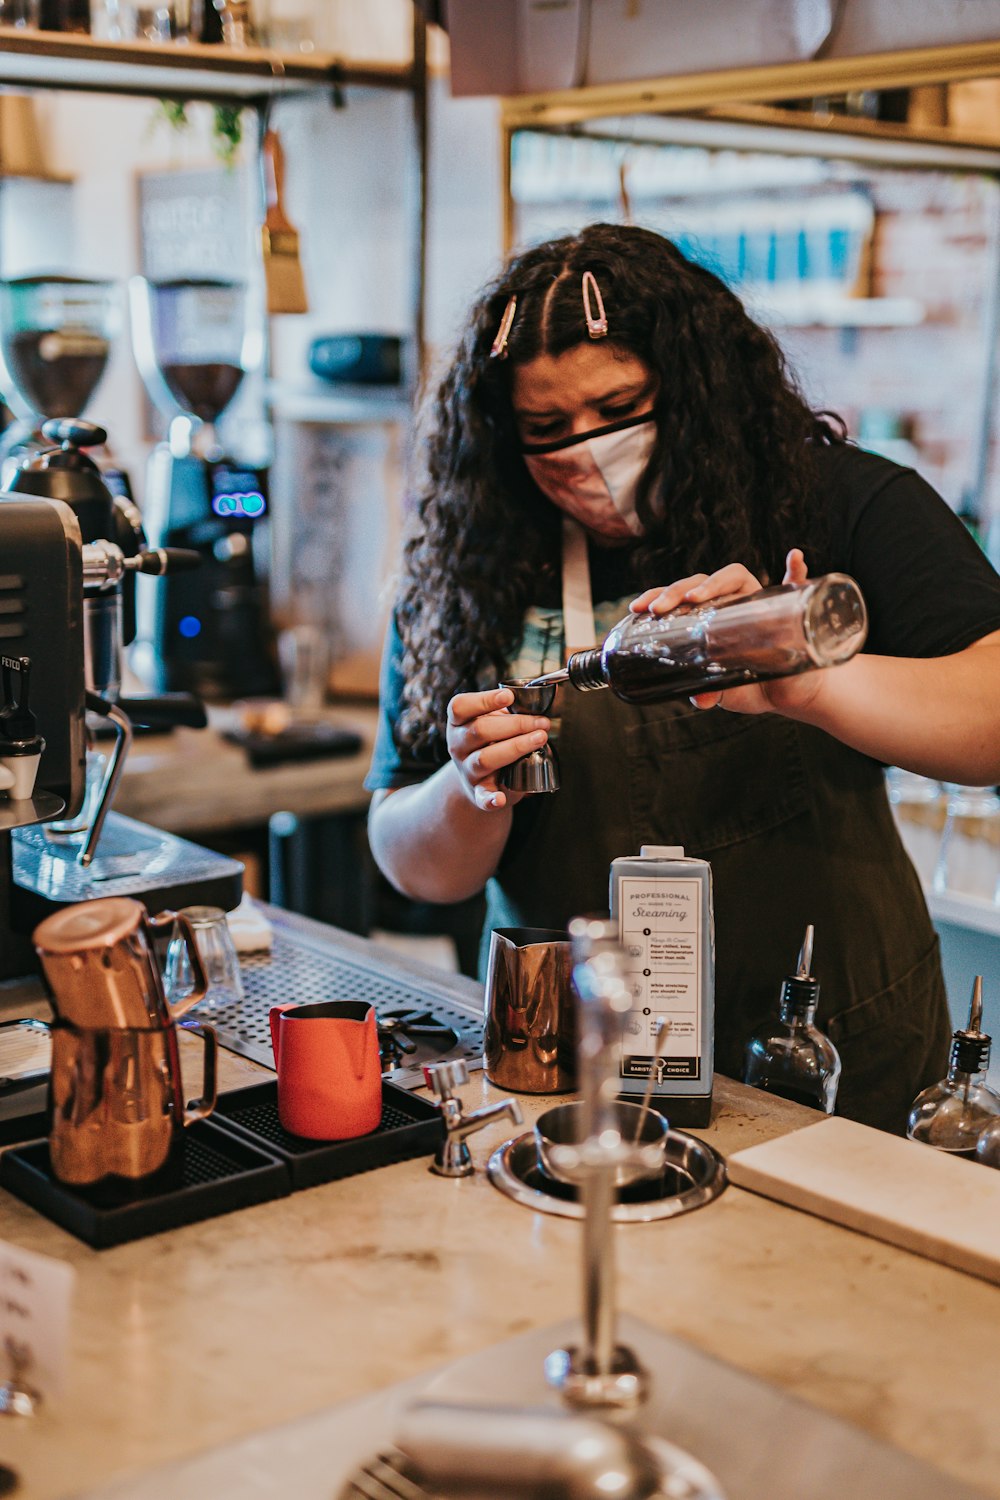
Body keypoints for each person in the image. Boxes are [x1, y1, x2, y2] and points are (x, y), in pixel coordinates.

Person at [365, 222, 1000, 1134]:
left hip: (826, 1050)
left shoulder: (837, 502)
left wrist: (808, 685)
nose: (588, 452)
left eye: (620, 407)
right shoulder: (468, 568)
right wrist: (468, 788)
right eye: (547, 429)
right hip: (570, 1057)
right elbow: (408, 858)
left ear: (695, 385)